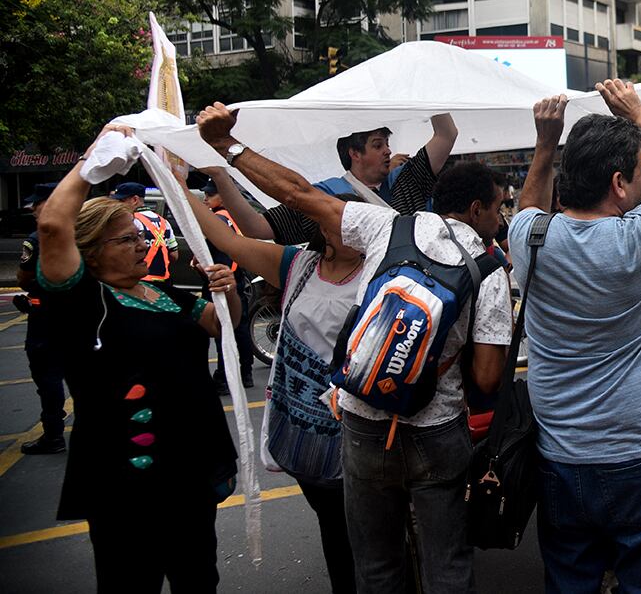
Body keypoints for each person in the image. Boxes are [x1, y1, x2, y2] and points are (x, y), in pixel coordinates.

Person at [195, 103, 512, 594]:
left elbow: (297, 193)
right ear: (477, 211)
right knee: (446, 563)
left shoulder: (388, 226)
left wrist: (226, 146)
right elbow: (488, 379)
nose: (501, 216)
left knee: (376, 567)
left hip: (363, 422)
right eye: (498, 208)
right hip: (435, 429)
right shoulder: (488, 268)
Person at [508, 82, 641, 593]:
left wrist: (544, 143)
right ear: (620, 183)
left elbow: (529, 208)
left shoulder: (529, 239)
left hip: (561, 456)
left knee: (571, 583)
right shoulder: (640, 239)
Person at [35, 124, 239, 593]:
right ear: (90, 250)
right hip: (127, 482)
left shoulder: (163, 293)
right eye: (127, 240)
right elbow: (51, 225)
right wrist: (91, 163)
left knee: (198, 579)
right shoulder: (83, 301)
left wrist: (226, 294)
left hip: (188, 472)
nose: (142, 245)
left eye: (139, 237)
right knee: (130, 582)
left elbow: (218, 324)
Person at [180, 178, 365, 594]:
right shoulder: (296, 265)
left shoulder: (383, 271)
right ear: (322, 226)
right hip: (300, 429)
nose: (352, 229)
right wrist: (180, 179)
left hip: (359, 431)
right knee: (334, 527)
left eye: (360, 223)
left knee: (365, 531)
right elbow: (225, 238)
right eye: (340, 220)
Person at [206, 113, 459, 245]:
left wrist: (424, 77)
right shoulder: (327, 196)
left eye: (387, 144)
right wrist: (220, 176)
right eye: (378, 145)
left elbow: (446, 134)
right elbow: (256, 228)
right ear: (355, 154)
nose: (388, 151)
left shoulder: (407, 180)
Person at [14, 182, 66, 455]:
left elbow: (23, 276)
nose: (34, 209)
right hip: (83, 315)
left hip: (46, 318)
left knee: (48, 378)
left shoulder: (38, 238)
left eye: (38, 203)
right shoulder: (86, 231)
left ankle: (54, 434)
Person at [201, 181, 255, 392]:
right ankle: (246, 372)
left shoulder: (216, 219)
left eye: (210, 194)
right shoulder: (235, 219)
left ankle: (224, 377)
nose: (206, 198)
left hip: (220, 279)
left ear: (222, 196)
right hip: (237, 277)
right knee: (240, 327)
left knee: (221, 329)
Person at [110, 182, 178, 282]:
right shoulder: (164, 222)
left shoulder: (131, 222)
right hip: (163, 281)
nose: (117, 205)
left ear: (135, 200)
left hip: (138, 282)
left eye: (121, 200)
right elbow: (174, 255)